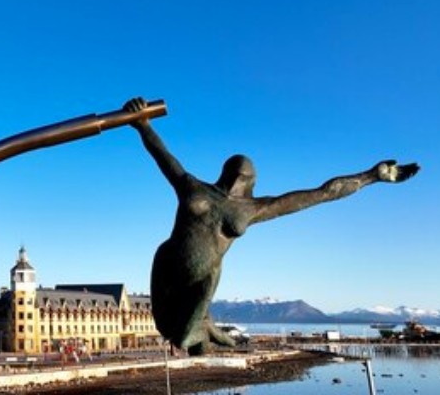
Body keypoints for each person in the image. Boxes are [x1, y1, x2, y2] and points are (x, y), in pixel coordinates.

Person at [122, 97, 420, 355]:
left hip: (202, 281)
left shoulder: (253, 208)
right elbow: (163, 156)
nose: (239, 177)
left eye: (244, 175)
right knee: (175, 328)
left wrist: (371, 176)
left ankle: (207, 333)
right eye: (237, 172)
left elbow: (323, 193)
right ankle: (209, 333)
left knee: (191, 324)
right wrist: (143, 124)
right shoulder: (192, 187)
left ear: (249, 181)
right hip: (168, 269)